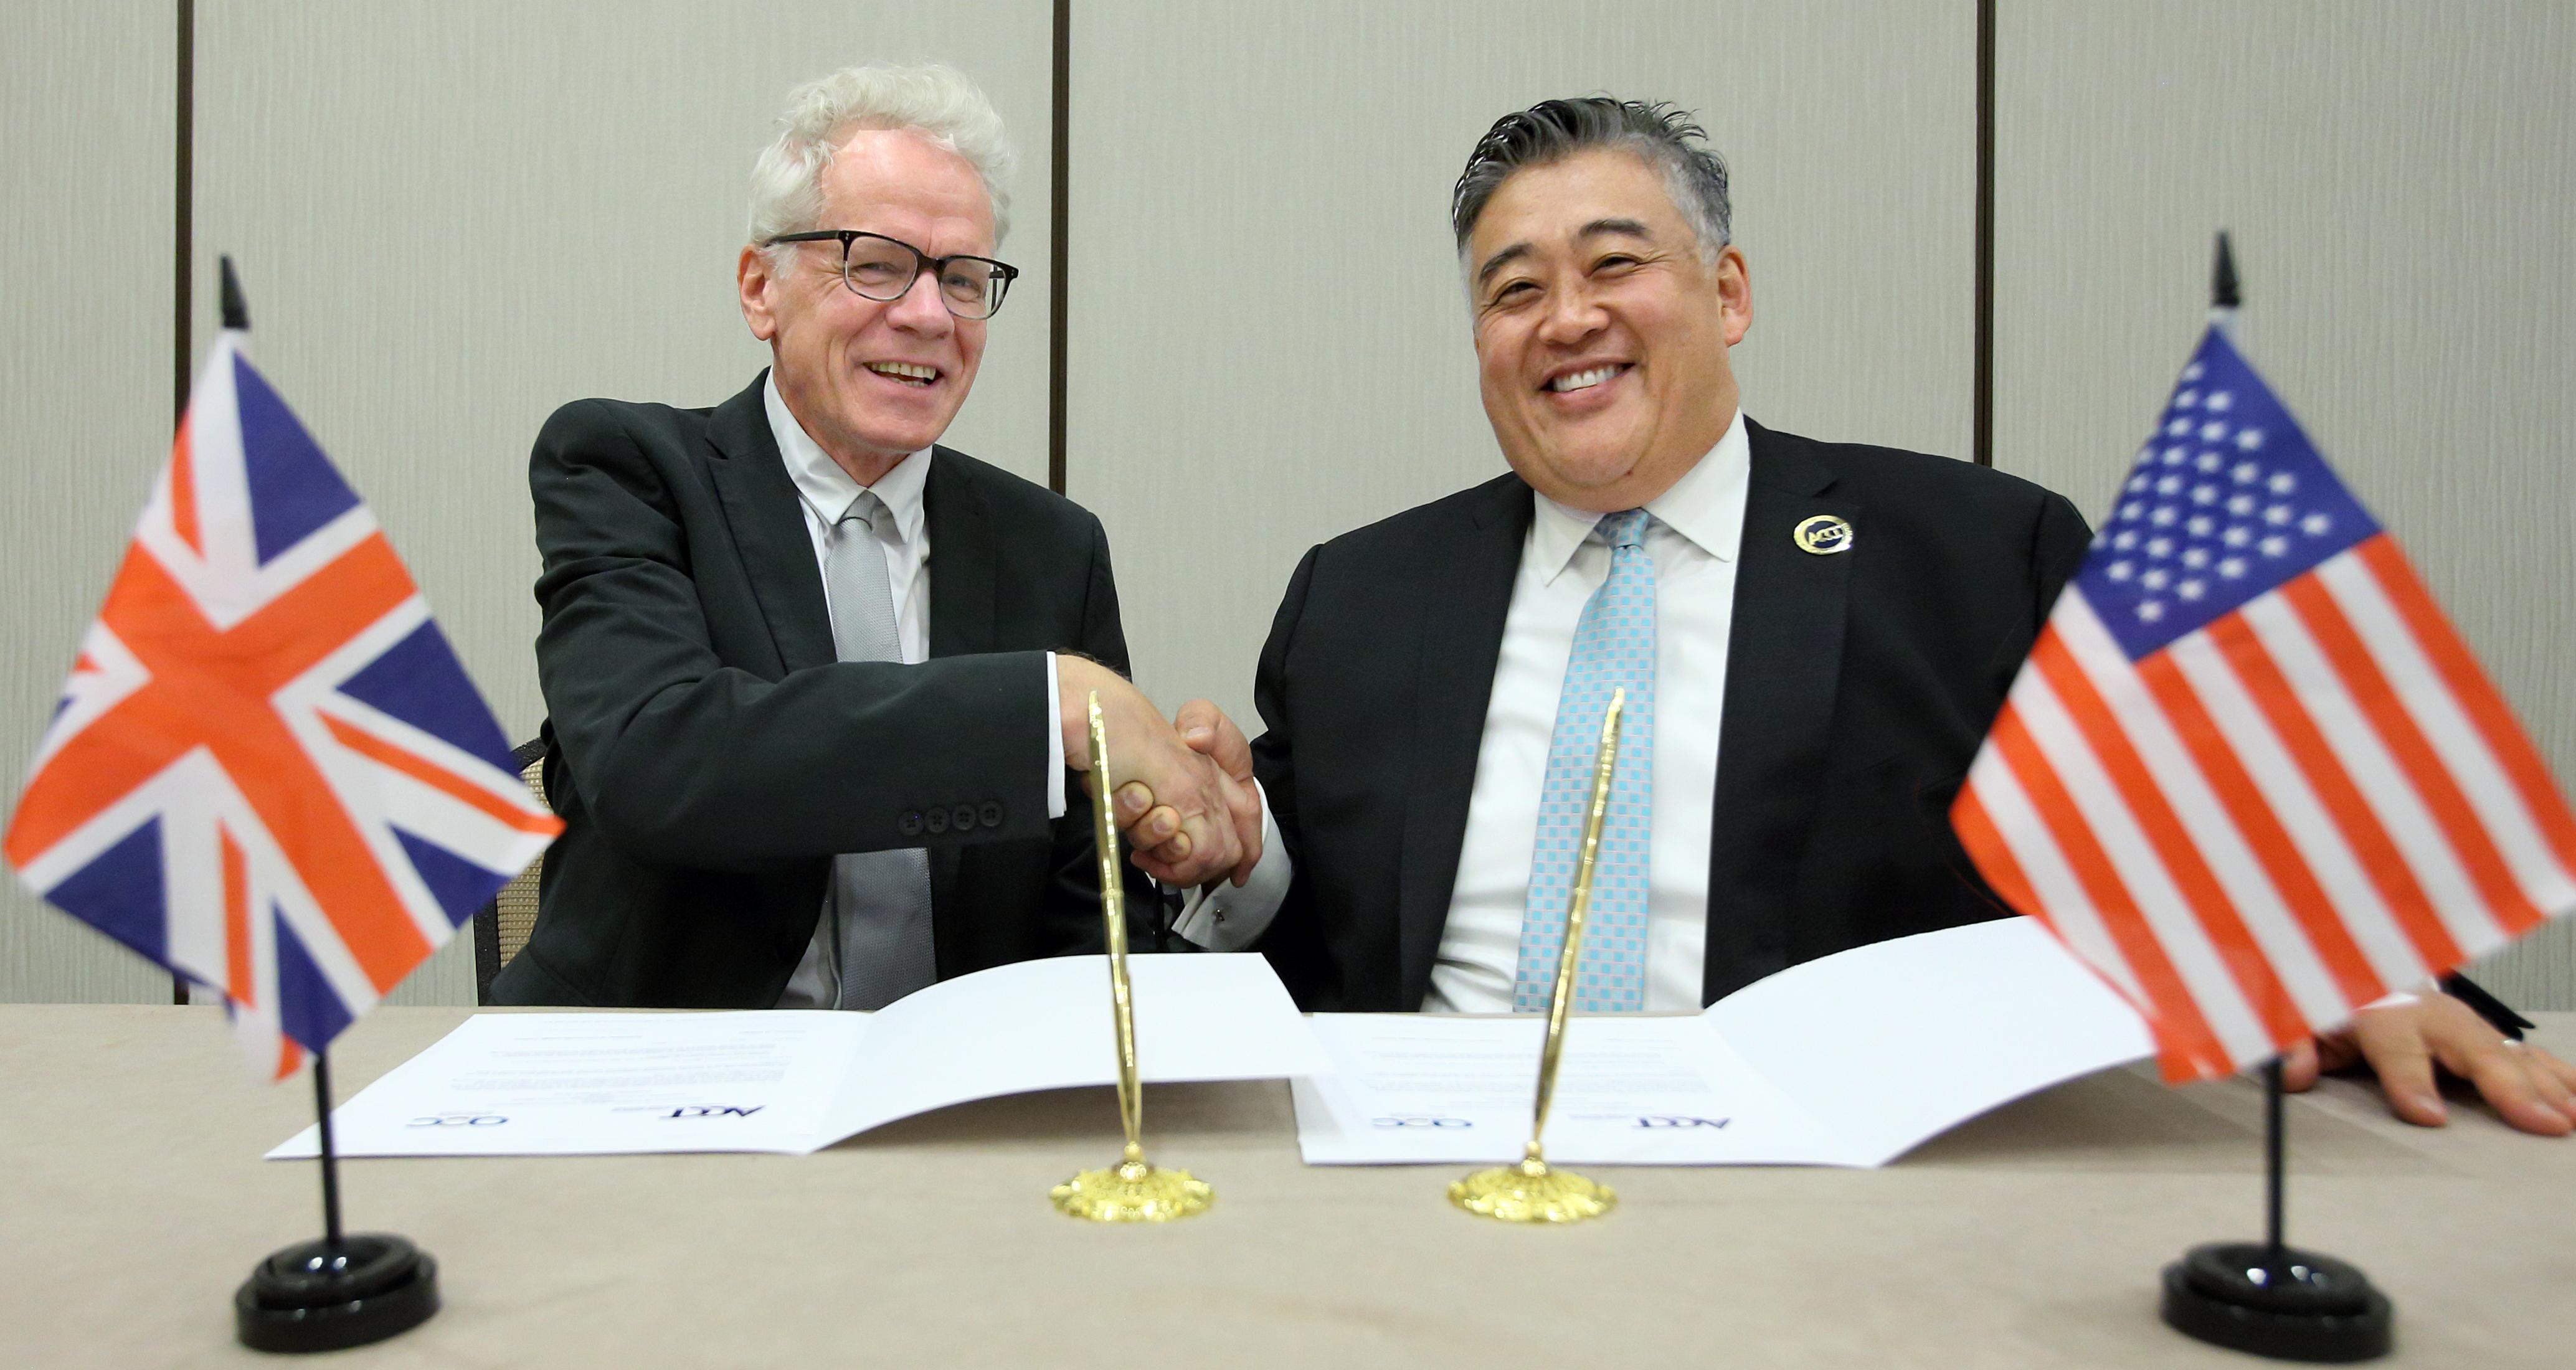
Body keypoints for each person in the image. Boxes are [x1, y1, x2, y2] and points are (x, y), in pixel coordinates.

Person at [1131, 97, 2576, 1135]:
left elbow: (2187, 819)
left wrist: (2355, 973)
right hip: (1434, 1164)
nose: (1564, 316)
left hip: (1828, 1170)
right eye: (1515, 290)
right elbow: (1311, 934)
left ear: (1728, 289)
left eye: (1614, 263)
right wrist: (1240, 853)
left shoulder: (1973, 551)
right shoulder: (1367, 592)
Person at [493, 64, 1252, 1010]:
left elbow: (1081, 934)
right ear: (759, 289)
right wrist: (1043, 707)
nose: (928, 314)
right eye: (877, 263)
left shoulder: (1051, 548)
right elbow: (656, 765)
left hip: (951, 1103)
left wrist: (1204, 854)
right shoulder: (629, 468)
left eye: (964, 278)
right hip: (665, 1084)